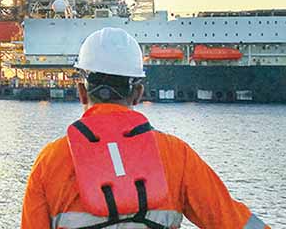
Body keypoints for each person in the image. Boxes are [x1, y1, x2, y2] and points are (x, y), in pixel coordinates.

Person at [21, 27, 270, 229]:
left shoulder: (50, 162)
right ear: (138, 93)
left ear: (81, 92)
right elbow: (234, 222)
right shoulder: (176, 155)